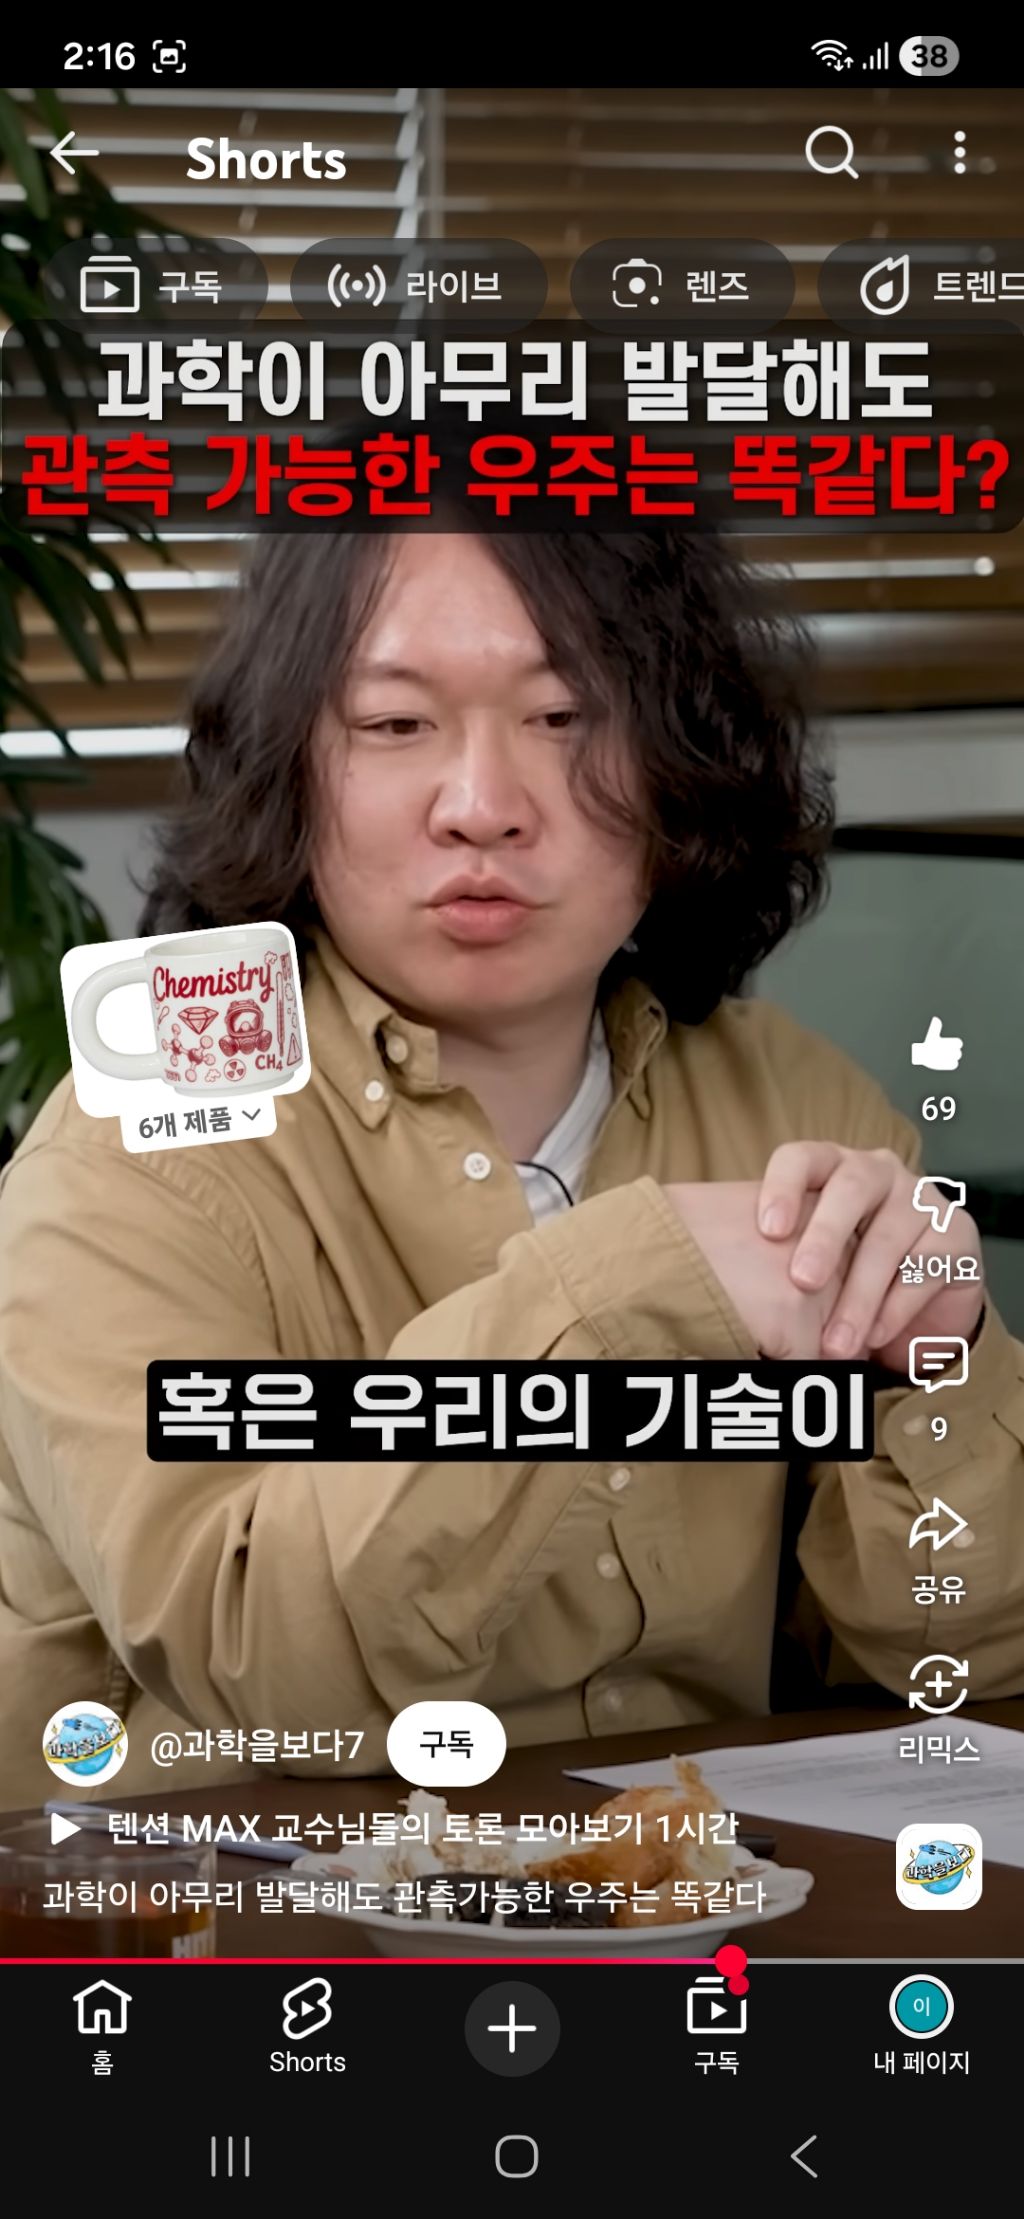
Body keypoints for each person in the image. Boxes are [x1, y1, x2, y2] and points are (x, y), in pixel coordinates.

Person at [1, 508, 1023, 1811]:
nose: (483, 808)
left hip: (707, 1899)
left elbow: (964, 1663)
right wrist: (616, 1294)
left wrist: (941, 1365)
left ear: (682, 760)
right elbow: (254, 1661)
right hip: (233, 1904)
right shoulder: (132, 1138)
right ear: (290, 767)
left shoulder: (797, 1102)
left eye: (565, 716)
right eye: (394, 723)